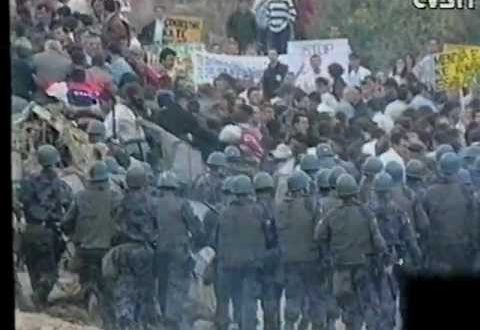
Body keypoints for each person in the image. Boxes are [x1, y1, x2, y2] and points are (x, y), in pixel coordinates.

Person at [314, 174, 387, 330]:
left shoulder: (331, 214)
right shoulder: (366, 213)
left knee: (348, 306)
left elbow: (318, 236)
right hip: (363, 265)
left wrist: (330, 250)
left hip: (341, 268)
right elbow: (379, 243)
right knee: (367, 304)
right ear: (355, 191)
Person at [61, 161, 122, 325]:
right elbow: (123, 223)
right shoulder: (115, 197)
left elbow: (66, 222)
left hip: (84, 252)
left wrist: (73, 235)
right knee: (109, 290)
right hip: (107, 252)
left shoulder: (80, 196)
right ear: (106, 180)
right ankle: (109, 321)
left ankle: (87, 313)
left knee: (85, 281)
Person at [103, 165, 159, 330]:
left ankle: (126, 323)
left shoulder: (120, 201)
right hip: (144, 250)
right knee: (145, 291)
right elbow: (157, 227)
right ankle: (143, 323)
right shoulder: (152, 202)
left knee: (125, 289)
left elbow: (113, 221)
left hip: (123, 250)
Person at [18, 145, 73, 308]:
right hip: (48, 232)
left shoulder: (27, 182)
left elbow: (21, 202)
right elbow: (68, 207)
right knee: (50, 273)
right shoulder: (60, 185)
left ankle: (38, 307)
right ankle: (37, 300)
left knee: (33, 270)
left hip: (29, 230)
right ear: (55, 161)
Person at [369, 172, 422, 329]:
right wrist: (417, 259)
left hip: (369, 260)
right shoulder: (398, 212)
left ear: (375, 190)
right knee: (388, 300)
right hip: (391, 260)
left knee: (371, 299)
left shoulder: (366, 211)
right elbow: (410, 239)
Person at [276, 170, 328, 330]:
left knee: (292, 299)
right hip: (311, 260)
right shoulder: (311, 204)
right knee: (315, 299)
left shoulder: (281, 207)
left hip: (289, 260)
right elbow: (320, 234)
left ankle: (289, 326)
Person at [215, 175, 267, 330]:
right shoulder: (258, 211)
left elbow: (217, 240)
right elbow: (266, 236)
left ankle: (235, 322)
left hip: (229, 265)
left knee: (235, 298)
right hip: (251, 264)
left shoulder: (224, 213)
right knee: (249, 300)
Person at [154, 171, 204, 330]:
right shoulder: (182, 204)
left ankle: (161, 316)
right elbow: (196, 228)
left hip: (157, 250)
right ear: (175, 188)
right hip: (178, 251)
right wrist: (195, 244)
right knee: (176, 285)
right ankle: (171, 320)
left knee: (161, 284)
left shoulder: (152, 203)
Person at [423, 152, 477, 274]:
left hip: (437, 246)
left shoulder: (429, 192)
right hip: (461, 244)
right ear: (458, 168)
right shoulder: (466, 191)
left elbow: (424, 222)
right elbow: (474, 221)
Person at [253, 172, 282, 330]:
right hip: (275, 260)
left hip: (258, 262)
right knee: (273, 302)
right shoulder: (278, 209)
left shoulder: (252, 210)